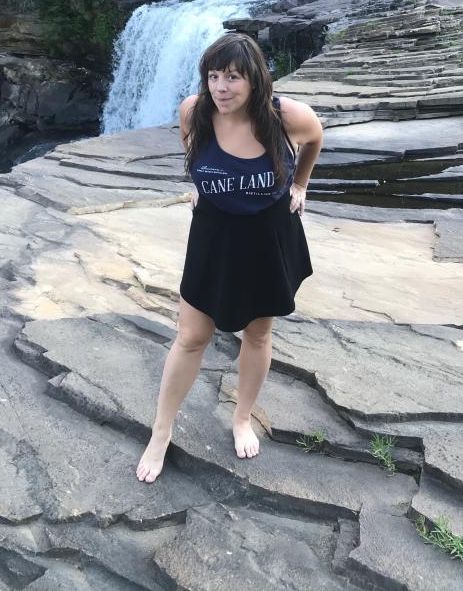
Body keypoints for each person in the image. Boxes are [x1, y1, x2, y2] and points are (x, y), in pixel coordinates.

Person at [136, 32, 323, 483]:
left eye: (233, 77)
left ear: (255, 80)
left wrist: (300, 185)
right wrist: (204, 184)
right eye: (213, 76)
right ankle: (161, 431)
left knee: (257, 335)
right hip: (214, 236)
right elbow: (192, 146)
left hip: (268, 238)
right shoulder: (193, 111)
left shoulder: (288, 118)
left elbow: (315, 139)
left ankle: (241, 417)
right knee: (191, 337)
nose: (221, 87)